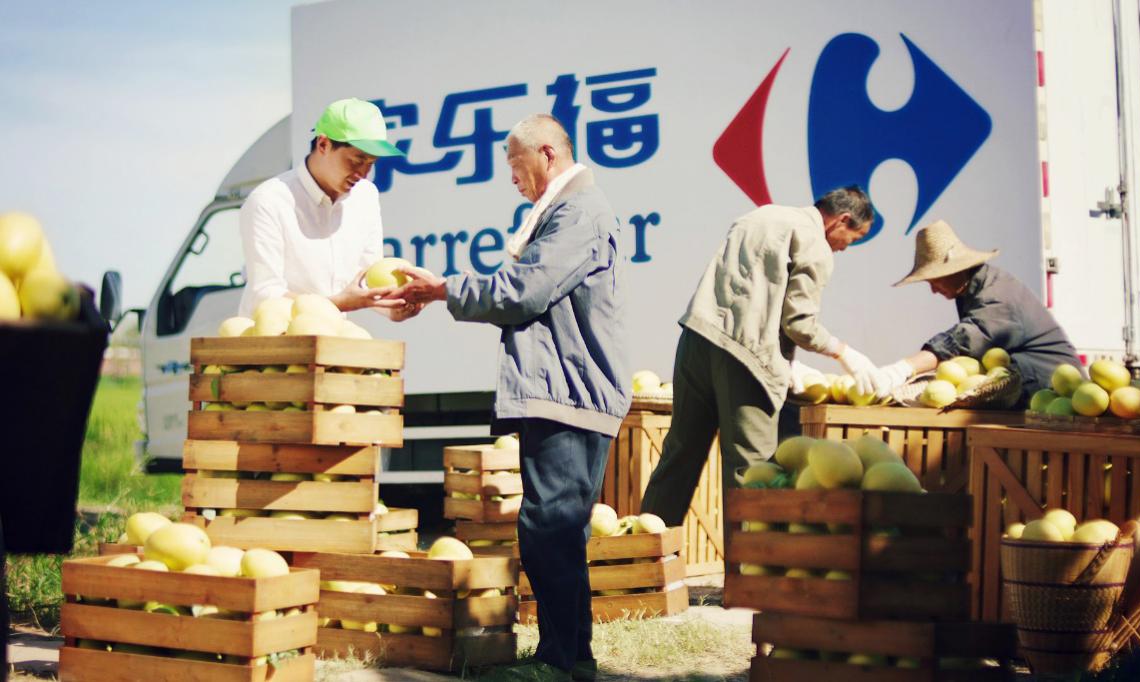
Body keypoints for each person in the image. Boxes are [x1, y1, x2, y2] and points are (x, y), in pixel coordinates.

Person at [395, 114, 628, 681]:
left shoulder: (579, 212)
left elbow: (525, 291)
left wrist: (445, 289)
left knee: (550, 527)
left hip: (570, 393)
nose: (512, 178)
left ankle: (559, 660)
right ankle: (572, 657)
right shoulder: (566, 211)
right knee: (558, 530)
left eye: (515, 164)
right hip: (565, 391)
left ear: (547, 154)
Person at [639, 187, 877, 529]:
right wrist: (842, 351)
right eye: (854, 238)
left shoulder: (760, 215)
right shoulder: (814, 243)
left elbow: (748, 293)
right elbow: (799, 324)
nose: (845, 247)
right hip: (747, 360)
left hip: (697, 340)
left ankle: (648, 553)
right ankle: (750, 561)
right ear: (841, 220)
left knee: (679, 456)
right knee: (751, 470)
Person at [237, 97, 417, 320]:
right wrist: (336, 304)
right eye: (356, 160)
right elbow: (264, 294)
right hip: (273, 338)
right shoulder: (269, 200)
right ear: (323, 144)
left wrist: (396, 308)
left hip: (331, 337)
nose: (363, 174)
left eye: (371, 163)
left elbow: (366, 280)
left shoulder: (366, 196)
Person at [873, 220, 1080, 401]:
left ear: (956, 270)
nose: (933, 290)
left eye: (935, 280)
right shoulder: (974, 289)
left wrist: (903, 369)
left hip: (1056, 392)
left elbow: (962, 340)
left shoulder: (998, 295)